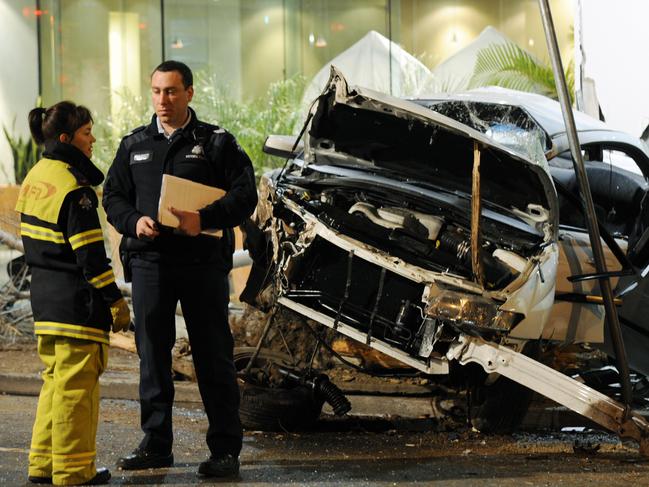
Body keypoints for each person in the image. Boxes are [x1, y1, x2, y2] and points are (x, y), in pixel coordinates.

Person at [102, 60, 257, 479]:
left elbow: (246, 195)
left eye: (171, 91)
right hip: (151, 263)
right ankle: (156, 444)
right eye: (156, 91)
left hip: (203, 266)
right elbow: (112, 195)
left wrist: (204, 219)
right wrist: (133, 221)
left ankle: (225, 449)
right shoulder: (134, 144)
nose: (162, 100)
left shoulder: (216, 143)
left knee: (213, 357)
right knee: (152, 356)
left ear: (189, 93)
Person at [16, 101, 131, 486]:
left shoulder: (37, 177)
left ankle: (43, 464)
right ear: (66, 139)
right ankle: (73, 470)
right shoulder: (75, 191)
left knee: (55, 383)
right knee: (76, 392)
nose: (93, 139)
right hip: (75, 306)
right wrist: (115, 302)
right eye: (86, 133)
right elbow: (91, 259)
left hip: (44, 302)